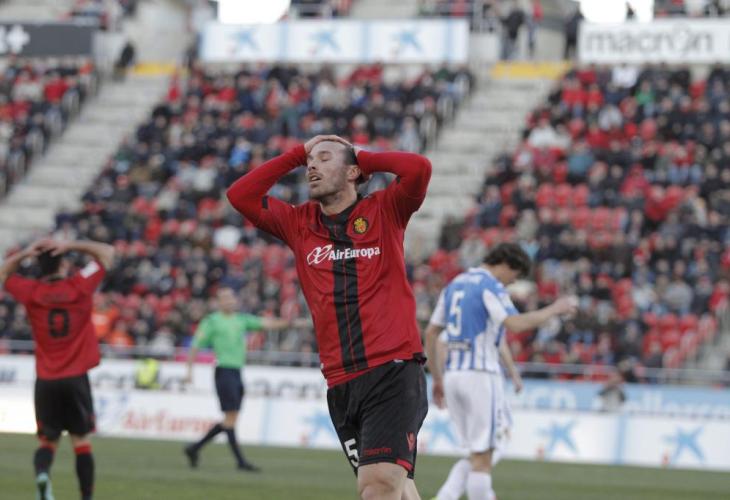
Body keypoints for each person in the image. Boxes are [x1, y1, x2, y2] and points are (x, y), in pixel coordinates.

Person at [226, 135, 432, 500]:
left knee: (377, 487)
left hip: (391, 369)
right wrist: (295, 154)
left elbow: (418, 168)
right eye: (310, 161)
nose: (312, 166)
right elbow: (239, 195)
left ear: (353, 172)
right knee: (398, 489)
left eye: (324, 158)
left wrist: (363, 157)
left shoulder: (386, 209)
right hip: (340, 381)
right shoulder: (298, 222)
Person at [424, 243, 577, 500]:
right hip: (480, 375)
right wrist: (554, 309)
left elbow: (431, 333)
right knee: (483, 458)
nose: (511, 282)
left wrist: (437, 379)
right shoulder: (490, 286)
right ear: (506, 265)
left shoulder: (454, 285)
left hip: (453, 377)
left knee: (475, 455)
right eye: (514, 276)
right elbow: (514, 323)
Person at [0, 238, 115, 500]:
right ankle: (86, 497)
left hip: (46, 378)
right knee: (81, 441)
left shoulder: (31, 291)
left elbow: (3, 273)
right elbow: (107, 252)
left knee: (48, 441)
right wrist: (72, 244)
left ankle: (43, 476)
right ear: (63, 264)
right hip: (76, 377)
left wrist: (24, 253)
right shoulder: (79, 285)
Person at [183, 286, 296, 471]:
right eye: (225, 298)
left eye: (231, 297)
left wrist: (289, 323)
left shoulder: (241, 319)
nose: (229, 301)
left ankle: (194, 448)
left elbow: (267, 324)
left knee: (230, 419)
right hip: (224, 371)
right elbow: (195, 346)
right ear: (219, 302)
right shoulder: (212, 321)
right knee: (230, 418)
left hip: (236, 372)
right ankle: (240, 462)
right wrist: (189, 371)